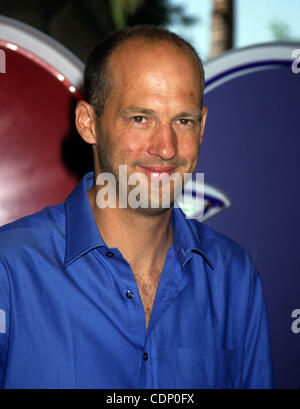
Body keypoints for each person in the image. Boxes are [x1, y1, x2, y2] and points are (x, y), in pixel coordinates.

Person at [0, 25, 274, 389]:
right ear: (88, 123)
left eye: (184, 121)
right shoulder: (11, 268)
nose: (166, 148)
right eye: (140, 119)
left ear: (202, 125)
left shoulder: (233, 277)